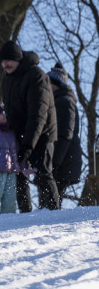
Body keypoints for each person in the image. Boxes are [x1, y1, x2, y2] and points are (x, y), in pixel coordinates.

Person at [0, 41, 59, 211]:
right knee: (18, 173)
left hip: (42, 133)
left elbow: (38, 114)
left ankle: (53, 213)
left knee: (43, 174)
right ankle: (25, 214)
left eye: (9, 60)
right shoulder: (7, 79)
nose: (5, 64)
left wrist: (28, 145)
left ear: (18, 59)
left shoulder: (36, 75)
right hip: (20, 133)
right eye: (3, 61)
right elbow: (10, 110)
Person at [47, 62, 83, 205]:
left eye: (48, 84)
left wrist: (54, 162)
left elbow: (64, 135)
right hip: (63, 158)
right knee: (52, 199)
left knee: (52, 200)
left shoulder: (64, 102)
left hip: (64, 159)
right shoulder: (60, 101)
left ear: (56, 84)